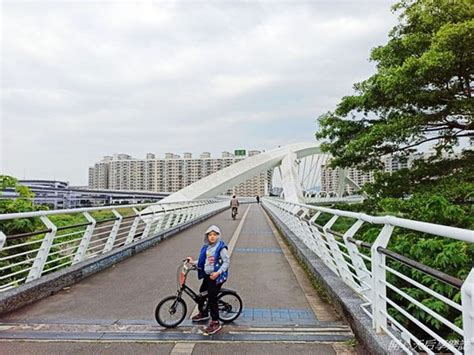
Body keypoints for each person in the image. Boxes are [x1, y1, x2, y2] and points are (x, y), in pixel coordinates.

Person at [186, 225, 230, 335]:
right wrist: (193, 262)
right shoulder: (207, 247)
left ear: (218, 236)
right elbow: (204, 261)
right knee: (202, 293)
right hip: (208, 275)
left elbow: (226, 262)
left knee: (212, 297)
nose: (212, 237)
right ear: (207, 236)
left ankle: (216, 322)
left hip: (216, 277)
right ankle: (204, 313)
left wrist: (217, 273)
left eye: (214, 235)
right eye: (210, 235)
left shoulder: (221, 248)